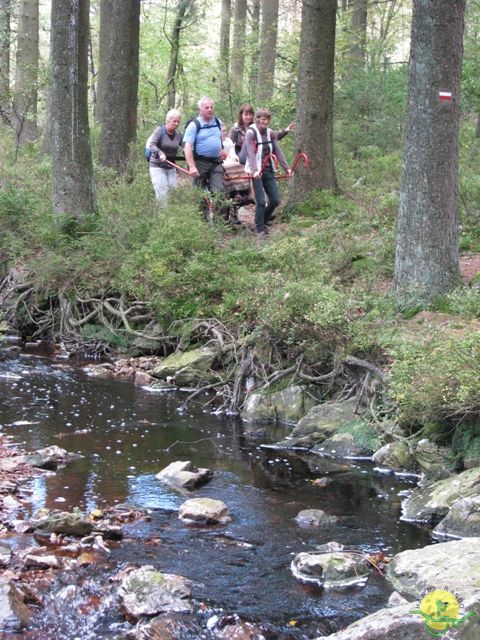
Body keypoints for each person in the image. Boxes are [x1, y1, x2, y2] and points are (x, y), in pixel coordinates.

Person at [244, 107, 292, 239]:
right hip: (256, 171)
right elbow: (250, 152)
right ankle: (260, 229)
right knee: (260, 201)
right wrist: (255, 170)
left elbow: (278, 151)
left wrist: (287, 168)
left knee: (275, 200)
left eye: (267, 119)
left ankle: (262, 220)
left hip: (268, 169)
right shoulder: (251, 133)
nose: (265, 122)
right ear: (257, 119)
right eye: (263, 119)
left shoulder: (270, 133)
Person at [183, 97, 228, 195]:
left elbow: (219, 137)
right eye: (206, 107)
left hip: (216, 162)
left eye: (211, 107)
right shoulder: (194, 125)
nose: (210, 109)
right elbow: (187, 147)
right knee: (199, 193)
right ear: (200, 109)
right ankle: (201, 210)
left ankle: (219, 210)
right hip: (200, 163)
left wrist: (222, 149)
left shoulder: (217, 122)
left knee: (219, 192)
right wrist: (191, 166)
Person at [229, 103, 295, 164]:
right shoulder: (235, 129)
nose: (248, 117)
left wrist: (285, 131)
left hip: (255, 155)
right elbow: (228, 144)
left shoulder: (257, 127)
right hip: (241, 157)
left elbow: (271, 136)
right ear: (241, 115)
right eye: (246, 115)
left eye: (250, 115)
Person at [148, 109, 183, 203]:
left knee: (173, 194)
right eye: (174, 121)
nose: (176, 123)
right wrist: (160, 153)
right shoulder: (160, 130)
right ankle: (162, 216)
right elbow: (152, 145)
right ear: (168, 120)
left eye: (178, 122)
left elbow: (185, 146)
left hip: (171, 167)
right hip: (157, 167)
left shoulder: (178, 134)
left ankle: (171, 216)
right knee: (162, 196)